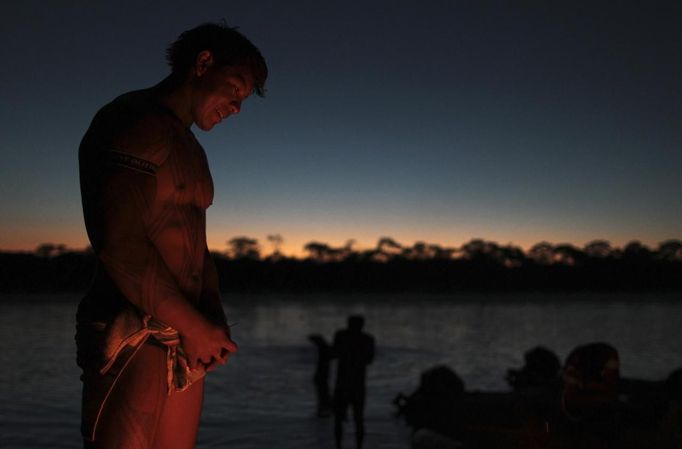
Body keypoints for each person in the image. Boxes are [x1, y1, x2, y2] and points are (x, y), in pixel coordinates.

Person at [76, 23, 267, 449]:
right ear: (203, 63)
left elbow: (197, 246)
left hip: (185, 334)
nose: (237, 107)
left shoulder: (191, 149)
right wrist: (193, 324)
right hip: (131, 330)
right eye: (235, 89)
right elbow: (119, 243)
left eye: (243, 100)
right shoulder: (132, 121)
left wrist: (210, 316)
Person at [332, 315, 375, 449]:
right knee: (358, 419)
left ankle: (339, 445)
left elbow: (334, 353)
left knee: (340, 419)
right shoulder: (367, 339)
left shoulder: (341, 336)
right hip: (357, 385)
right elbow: (369, 360)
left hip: (343, 384)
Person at [308, 334, 333, 416]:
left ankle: (324, 408)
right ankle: (325, 408)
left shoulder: (323, 349)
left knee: (322, 392)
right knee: (323, 391)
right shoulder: (325, 348)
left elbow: (321, 364)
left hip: (322, 373)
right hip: (324, 373)